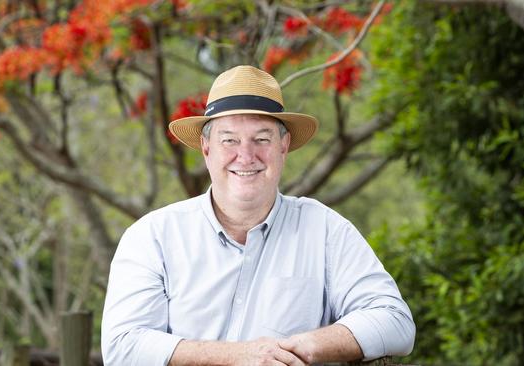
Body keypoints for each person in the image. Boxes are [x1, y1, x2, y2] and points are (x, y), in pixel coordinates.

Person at [101, 65, 415, 365]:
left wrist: (301, 346)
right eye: (229, 140)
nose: (246, 155)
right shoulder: (152, 236)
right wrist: (237, 357)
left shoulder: (325, 230)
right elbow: (122, 346)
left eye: (262, 139)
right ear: (206, 147)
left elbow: (395, 321)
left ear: (284, 146)